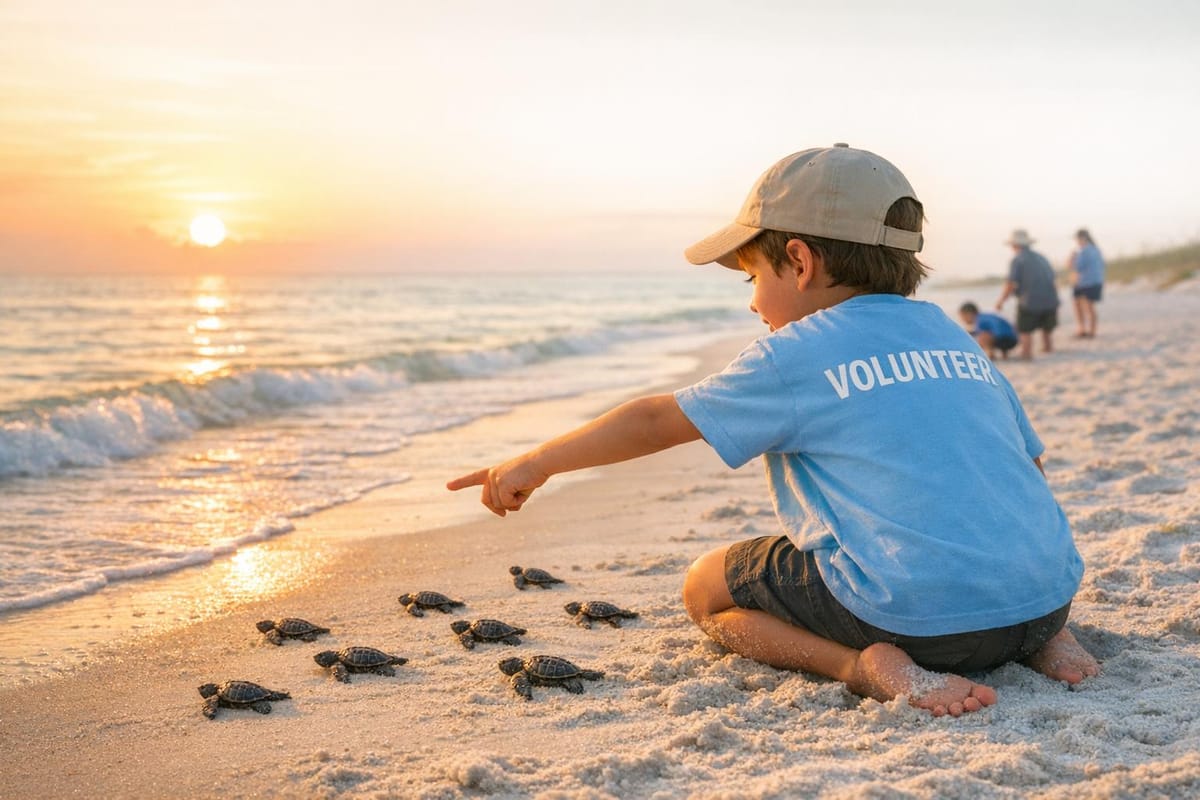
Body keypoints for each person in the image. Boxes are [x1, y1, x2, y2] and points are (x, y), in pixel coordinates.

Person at [447, 144, 1099, 717]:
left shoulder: (793, 355)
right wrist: (1036, 596)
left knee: (706, 586)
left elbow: (653, 420)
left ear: (799, 261)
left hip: (918, 626)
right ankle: (1041, 642)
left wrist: (538, 461)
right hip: (1044, 599)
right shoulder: (950, 335)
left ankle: (861, 667)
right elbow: (1027, 468)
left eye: (754, 277)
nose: (753, 301)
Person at [995, 230, 1060, 360]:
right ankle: (1048, 347)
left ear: (1015, 245)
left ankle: (1026, 353)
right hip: (1050, 299)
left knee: (1025, 329)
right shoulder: (1042, 257)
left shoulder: (1018, 260)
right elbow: (1053, 279)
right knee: (1046, 326)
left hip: (1030, 301)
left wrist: (1001, 301)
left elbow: (1011, 284)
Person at [1068, 228, 1105, 338]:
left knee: (1085, 306)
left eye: (1077, 239)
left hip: (1085, 283)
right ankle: (1089, 330)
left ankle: (1084, 329)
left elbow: (1075, 267)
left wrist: (1072, 257)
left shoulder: (1084, 251)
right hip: (1095, 281)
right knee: (1086, 306)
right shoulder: (1096, 250)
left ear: (1082, 238)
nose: (1077, 241)